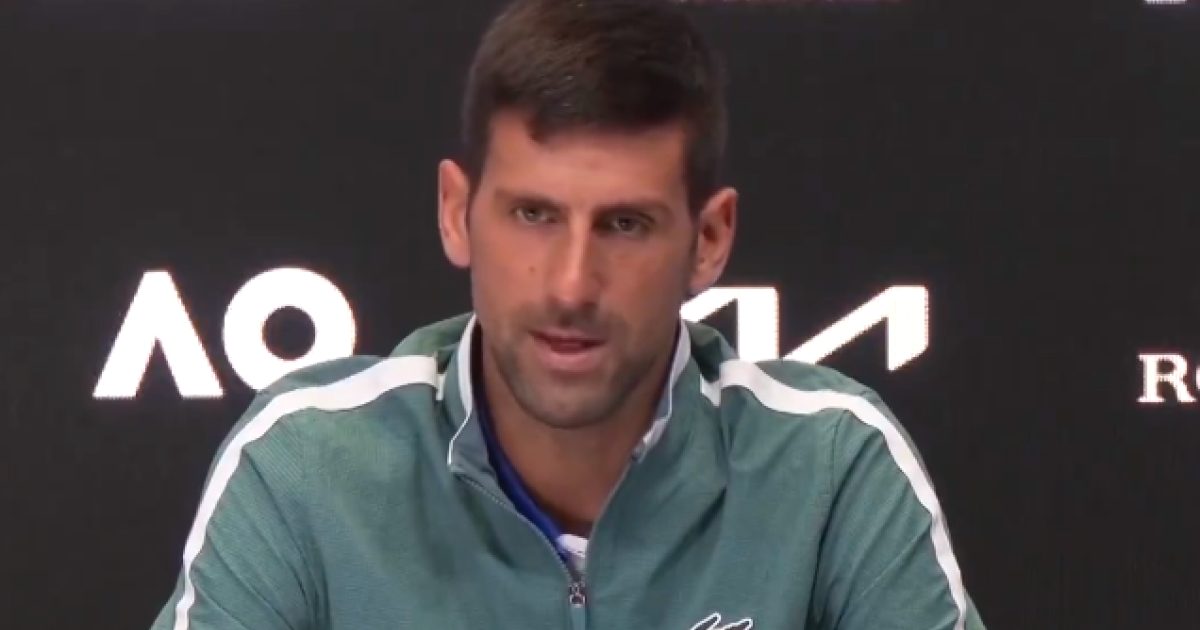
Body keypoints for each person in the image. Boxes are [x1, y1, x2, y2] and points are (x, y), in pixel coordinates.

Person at [150, 0, 987, 629]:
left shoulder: (830, 465)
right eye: (533, 215)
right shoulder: (305, 467)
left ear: (708, 239)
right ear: (456, 211)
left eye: (625, 225)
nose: (571, 285)